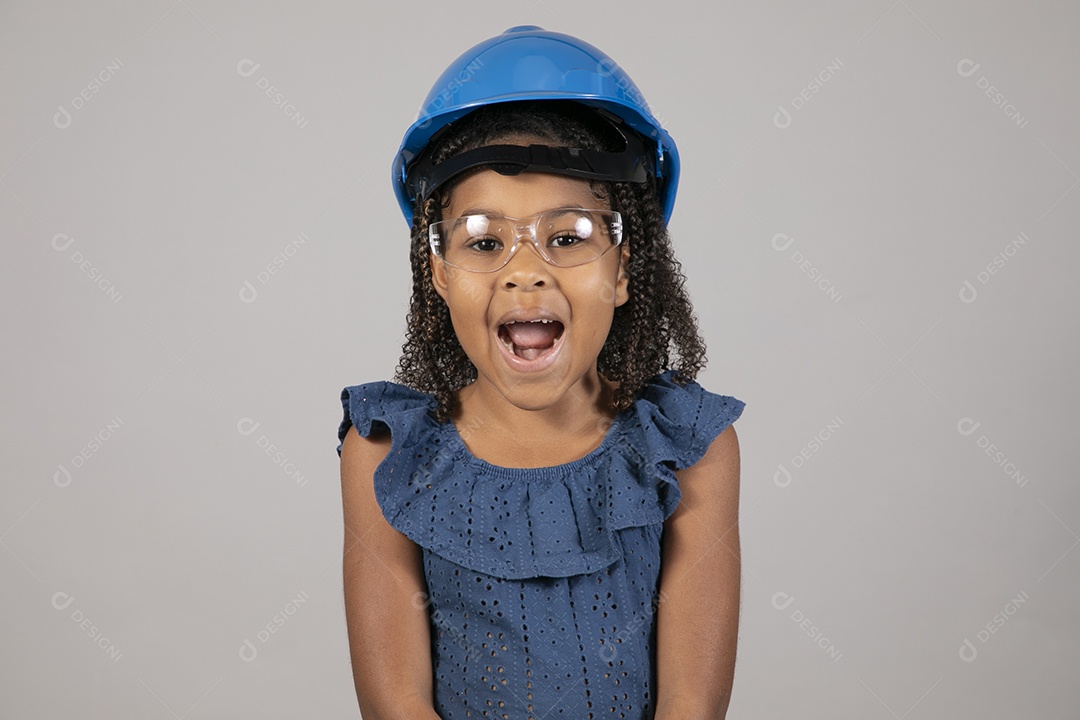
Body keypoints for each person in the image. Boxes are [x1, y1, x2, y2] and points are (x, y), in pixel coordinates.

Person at [336, 25, 746, 720]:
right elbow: (396, 704)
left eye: (567, 237)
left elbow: (690, 704)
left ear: (622, 269)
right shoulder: (385, 451)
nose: (525, 270)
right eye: (485, 242)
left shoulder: (686, 448)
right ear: (438, 273)